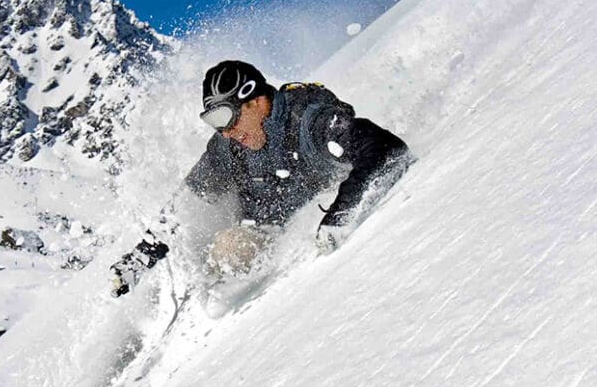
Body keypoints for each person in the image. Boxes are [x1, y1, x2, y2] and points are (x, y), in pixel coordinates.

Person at [110, 60, 412, 297]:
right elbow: (185, 205)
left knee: (229, 251)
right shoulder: (229, 148)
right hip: (260, 234)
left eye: (228, 118)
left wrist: (342, 213)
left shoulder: (308, 119)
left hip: (314, 227)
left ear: (255, 102)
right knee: (226, 253)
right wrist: (139, 259)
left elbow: (385, 148)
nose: (227, 132)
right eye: (214, 123)